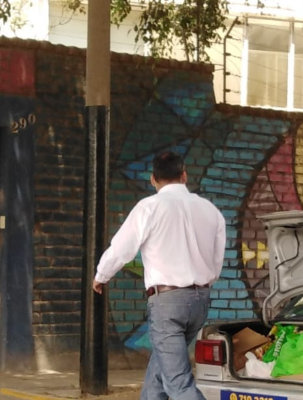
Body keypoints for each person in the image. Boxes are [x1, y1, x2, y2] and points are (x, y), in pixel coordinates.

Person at [92, 151, 226, 400]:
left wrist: (101, 275)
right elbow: (217, 259)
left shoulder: (149, 207)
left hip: (168, 304)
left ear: (153, 179)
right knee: (159, 375)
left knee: (178, 384)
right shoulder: (210, 210)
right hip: (200, 301)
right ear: (184, 176)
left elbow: (121, 248)